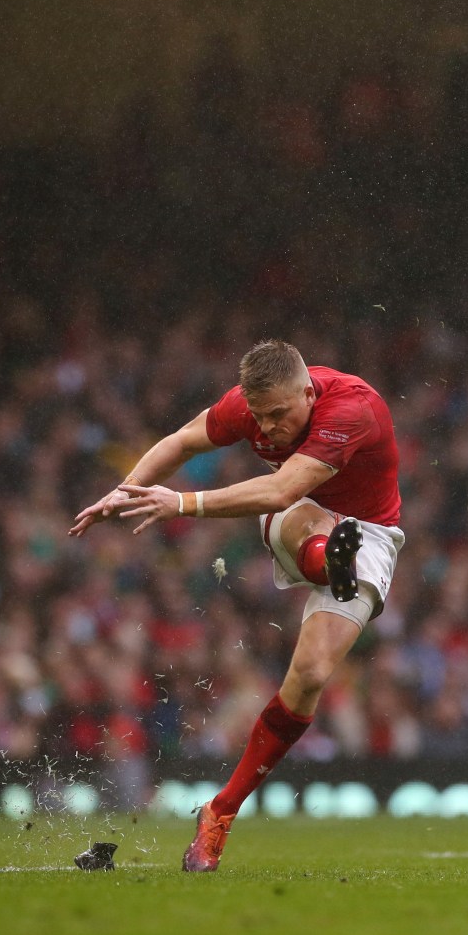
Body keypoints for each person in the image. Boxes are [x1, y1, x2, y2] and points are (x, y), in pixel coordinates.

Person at [69, 339, 404, 872]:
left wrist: (180, 503)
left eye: (279, 414)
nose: (268, 427)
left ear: (308, 392)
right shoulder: (246, 407)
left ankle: (220, 810)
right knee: (308, 516)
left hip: (370, 531)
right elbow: (181, 443)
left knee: (312, 674)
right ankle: (326, 561)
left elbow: (277, 486)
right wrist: (126, 490)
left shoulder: (350, 408)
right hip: (299, 513)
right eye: (260, 416)